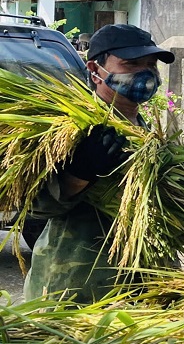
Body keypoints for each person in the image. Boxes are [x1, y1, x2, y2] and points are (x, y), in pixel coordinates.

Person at [23, 24, 175, 303]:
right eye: (131, 64)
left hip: (140, 286)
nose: (145, 73)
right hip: (75, 288)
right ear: (95, 70)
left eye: (150, 65)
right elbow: (34, 207)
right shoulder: (69, 127)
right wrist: (80, 172)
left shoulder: (148, 131)